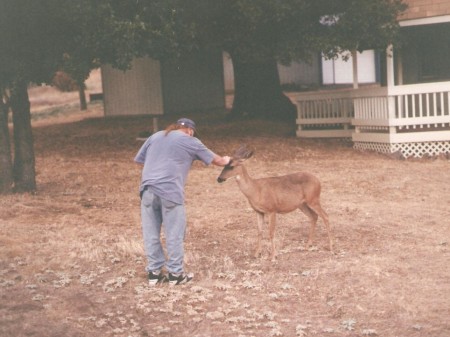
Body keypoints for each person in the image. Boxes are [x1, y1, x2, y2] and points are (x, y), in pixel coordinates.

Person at [134, 118, 230, 286]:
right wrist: (227, 160)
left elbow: (140, 160)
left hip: (148, 190)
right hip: (170, 191)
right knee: (174, 234)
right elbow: (218, 161)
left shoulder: (155, 136)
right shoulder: (191, 141)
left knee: (150, 234)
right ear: (190, 131)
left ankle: (154, 273)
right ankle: (175, 275)